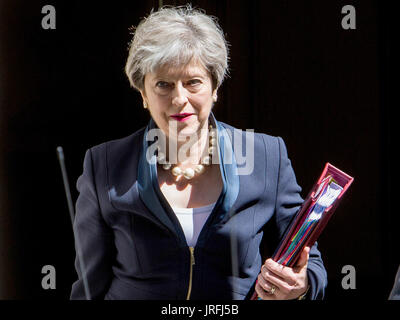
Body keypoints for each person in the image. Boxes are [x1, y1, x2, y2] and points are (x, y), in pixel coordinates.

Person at [70, 5, 327, 300]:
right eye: (163, 85)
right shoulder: (104, 165)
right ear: (143, 93)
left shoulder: (266, 156)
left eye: (193, 82)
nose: (179, 99)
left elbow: (311, 265)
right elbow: (89, 287)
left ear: (215, 87)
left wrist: (301, 284)